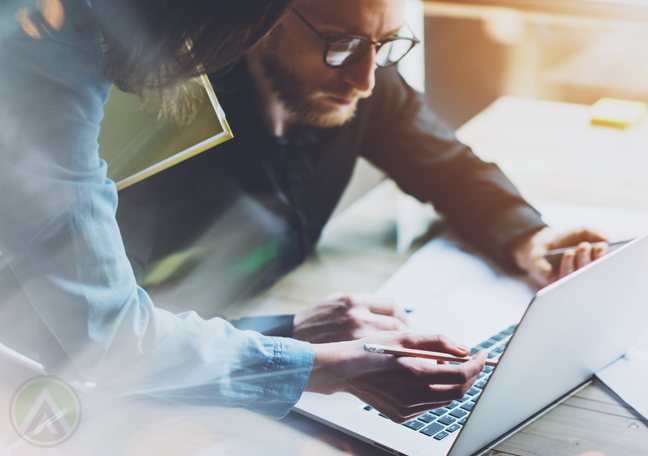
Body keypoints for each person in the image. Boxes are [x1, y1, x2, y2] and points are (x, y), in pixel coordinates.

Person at [0, 0, 484, 425]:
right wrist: (327, 366)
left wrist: (289, 336)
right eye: (341, 42)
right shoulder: (44, 47)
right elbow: (96, 337)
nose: (366, 81)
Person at [115, 0, 609, 337]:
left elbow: (448, 166)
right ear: (260, 16)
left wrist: (527, 238)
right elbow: (107, 331)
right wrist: (289, 333)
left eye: (385, 44)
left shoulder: (355, 78)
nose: (366, 79)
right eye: (341, 43)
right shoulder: (158, 136)